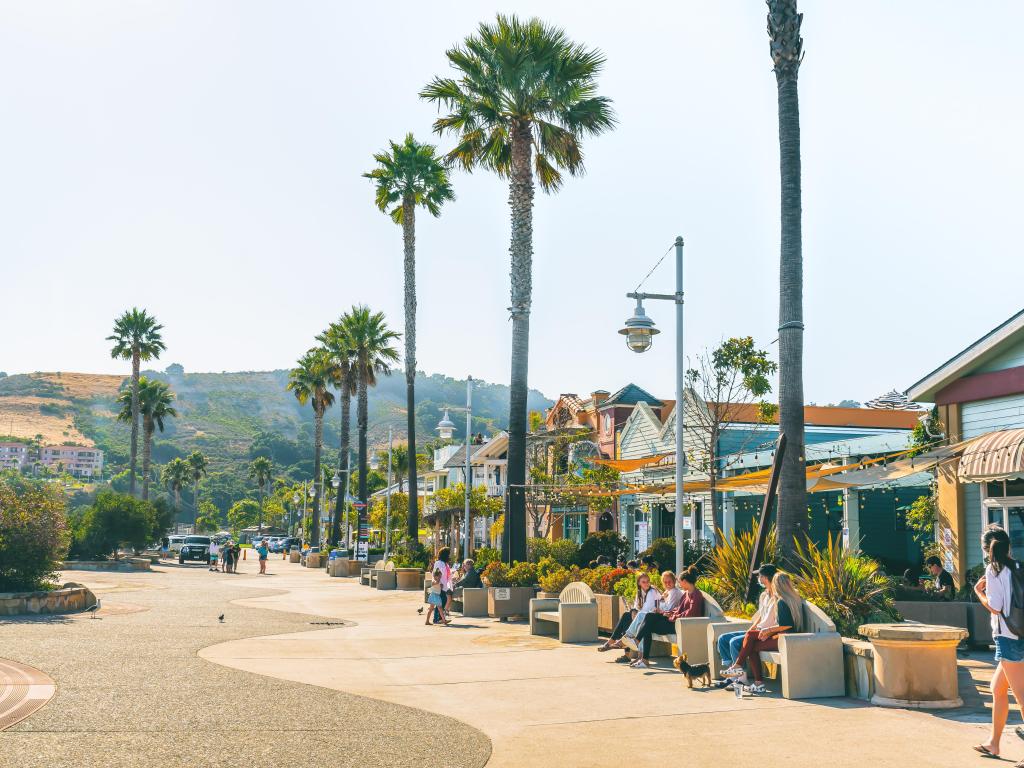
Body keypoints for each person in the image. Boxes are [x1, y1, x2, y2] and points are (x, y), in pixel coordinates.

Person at [973, 525, 1024, 761]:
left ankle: (997, 744)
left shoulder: (994, 570)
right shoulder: (1017, 567)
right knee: (997, 689)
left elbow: (995, 606)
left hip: (1008, 637)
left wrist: (978, 592)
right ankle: (993, 743)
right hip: (1020, 633)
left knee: (1021, 695)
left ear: (986, 549)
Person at [726, 572, 803, 694]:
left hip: (786, 639)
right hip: (787, 637)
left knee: (751, 637)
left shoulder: (782, 602)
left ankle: (743, 670)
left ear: (777, 585)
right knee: (752, 644)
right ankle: (755, 681)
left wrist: (768, 630)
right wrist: (768, 632)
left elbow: (788, 625)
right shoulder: (793, 599)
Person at [714, 563, 778, 688]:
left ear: (764, 577)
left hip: (766, 633)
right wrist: (752, 627)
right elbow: (761, 615)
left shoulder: (777, 596)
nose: (758, 578)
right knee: (722, 638)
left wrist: (766, 631)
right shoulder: (764, 595)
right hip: (757, 630)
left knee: (734, 642)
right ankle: (733, 675)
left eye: (759, 576)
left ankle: (741, 678)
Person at [628, 570, 688, 668]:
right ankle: (644, 659)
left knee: (648, 619)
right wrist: (660, 605)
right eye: (665, 582)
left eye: (670, 581)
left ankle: (635, 641)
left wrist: (659, 609)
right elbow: (661, 606)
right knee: (647, 623)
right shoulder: (667, 592)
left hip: (673, 623)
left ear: (674, 581)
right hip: (667, 620)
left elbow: (667, 609)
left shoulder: (674, 592)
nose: (667, 584)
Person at [597, 571, 660, 662]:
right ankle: (622, 647)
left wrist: (635, 614)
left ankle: (619, 645)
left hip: (651, 618)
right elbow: (636, 607)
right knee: (627, 615)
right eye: (643, 582)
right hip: (643, 617)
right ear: (639, 583)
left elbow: (647, 609)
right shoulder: (639, 592)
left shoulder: (652, 591)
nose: (646, 583)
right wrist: (633, 612)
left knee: (631, 619)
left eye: (648, 581)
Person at [430, 547, 453, 625]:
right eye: (448, 554)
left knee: (441, 601)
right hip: (440, 585)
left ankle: (438, 618)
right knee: (440, 602)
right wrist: (439, 582)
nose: (450, 555)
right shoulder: (439, 563)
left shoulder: (444, 563)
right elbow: (436, 573)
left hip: (444, 586)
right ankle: (437, 619)